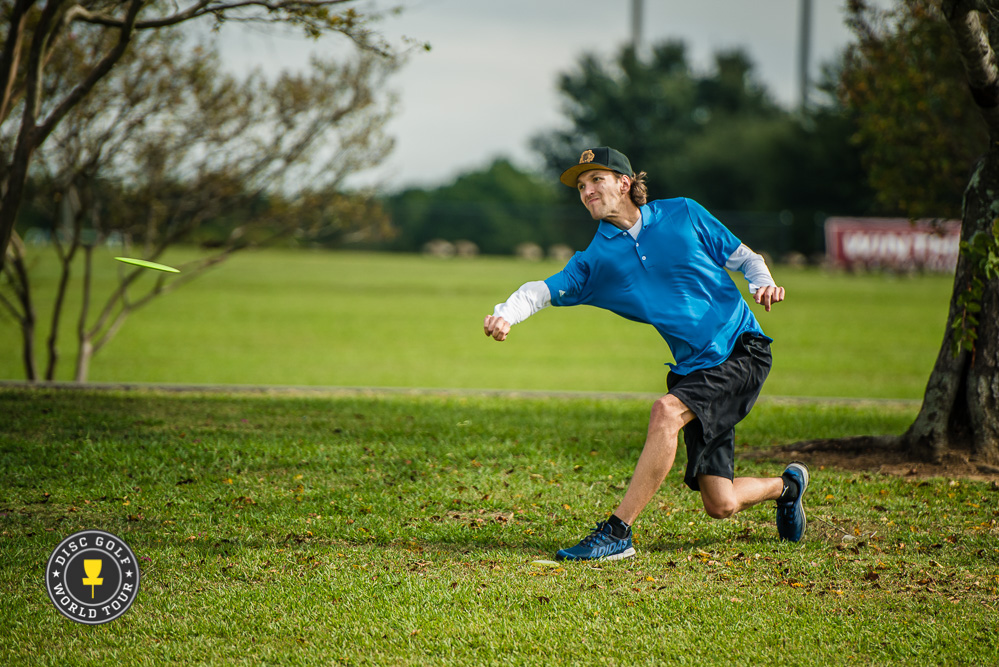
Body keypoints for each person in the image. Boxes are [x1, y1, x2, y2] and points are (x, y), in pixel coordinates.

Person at [482, 147, 809, 561]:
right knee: (720, 503)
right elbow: (541, 290)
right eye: (580, 187)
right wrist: (506, 314)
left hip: (741, 347)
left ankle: (618, 532)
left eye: (595, 180)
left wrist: (763, 282)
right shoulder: (596, 260)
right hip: (693, 369)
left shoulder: (684, 213)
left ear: (625, 182)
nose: (586, 191)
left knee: (666, 412)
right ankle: (788, 487)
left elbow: (745, 257)